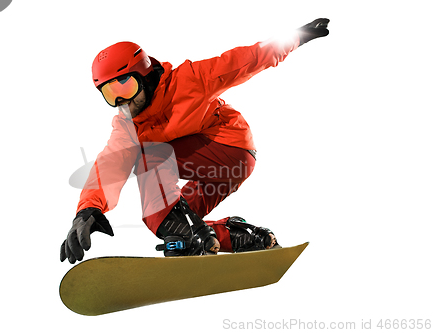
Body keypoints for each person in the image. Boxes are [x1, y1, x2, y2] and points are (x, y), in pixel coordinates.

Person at [60, 18, 330, 263]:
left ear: (144, 75)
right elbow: (109, 165)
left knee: (147, 157)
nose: (122, 101)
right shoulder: (127, 126)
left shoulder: (188, 80)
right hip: (215, 170)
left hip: (230, 147)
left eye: (125, 86)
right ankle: (247, 238)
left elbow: (246, 60)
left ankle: (192, 236)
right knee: (164, 221)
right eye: (110, 93)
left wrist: (296, 37)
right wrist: (87, 211)